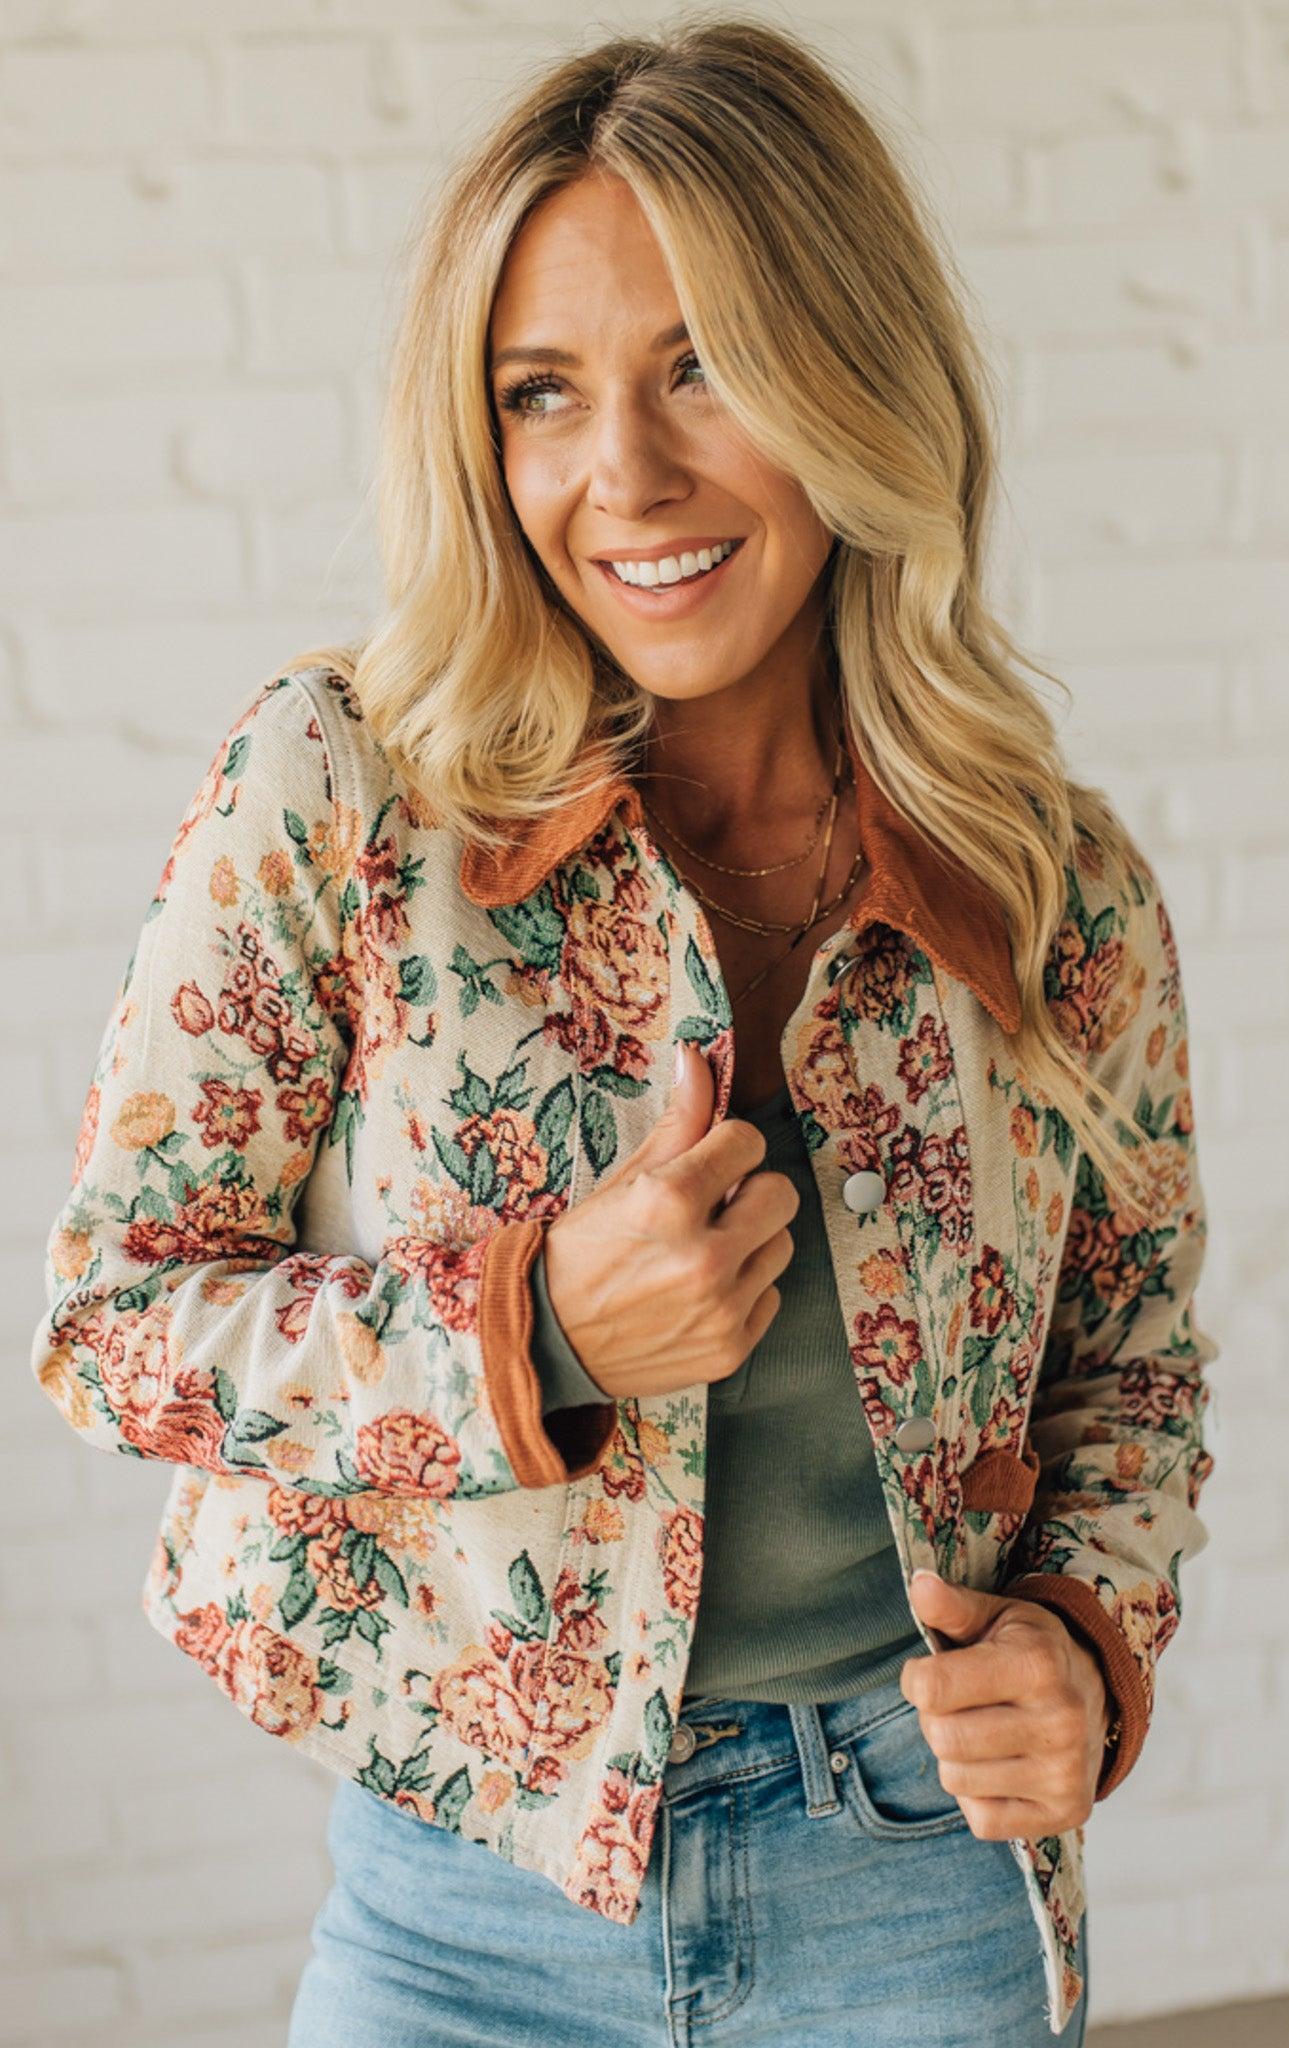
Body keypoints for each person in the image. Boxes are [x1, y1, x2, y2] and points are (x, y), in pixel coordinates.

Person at [30, 17, 1220, 2046]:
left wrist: (1082, 1648)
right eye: (543, 394)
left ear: (850, 376)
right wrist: (535, 1326)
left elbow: (1130, 1372)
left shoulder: (1046, 882)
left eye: (707, 366)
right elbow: (115, 1323)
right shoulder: (336, 790)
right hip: (458, 1899)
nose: (626, 476)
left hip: (910, 1879)